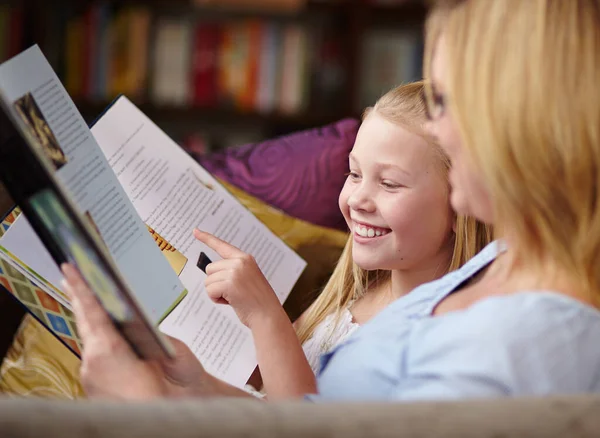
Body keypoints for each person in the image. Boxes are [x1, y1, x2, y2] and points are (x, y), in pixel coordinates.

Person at [63, 0, 600, 402]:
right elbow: (314, 424)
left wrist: (140, 412)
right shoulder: (500, 263)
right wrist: (196, 386)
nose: (440, 130)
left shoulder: (518, 342)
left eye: (450, 104)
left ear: (524, 124)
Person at [240, 81, 490, 396]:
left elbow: (305, 426)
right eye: (355, 174)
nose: (357, 199)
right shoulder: (349, 295)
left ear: (461, 204)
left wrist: (266, 318)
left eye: (389, 183)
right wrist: (194, 380)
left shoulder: (445, 339)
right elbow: (265, 401)